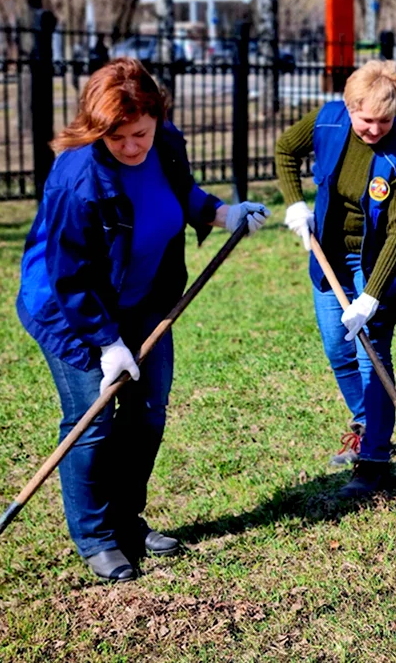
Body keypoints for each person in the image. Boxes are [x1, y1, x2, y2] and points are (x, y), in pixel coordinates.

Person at [17, 58, 270, 582]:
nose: (132, 147)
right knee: (92, 422)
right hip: (73, 311)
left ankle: (127, 522)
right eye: (117, 137)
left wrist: (226, 215)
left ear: (156, 117)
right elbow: (68, 276)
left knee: (148, 413)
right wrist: (108, 344)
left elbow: (182, 196)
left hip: (145, 300)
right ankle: (96, 536)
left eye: (140, 133)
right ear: (97, 128)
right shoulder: (76, 178)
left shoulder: (167, 143)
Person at [275, 60, 396, 499]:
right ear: (349, 107)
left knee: (371, 352)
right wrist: (294, 204)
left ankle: (374, 461)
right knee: (337, 347)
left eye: (385, 120)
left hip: (376, 262)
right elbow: (286, 150)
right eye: (367, 120)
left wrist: (371, 297)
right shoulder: (326, 120)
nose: (376, 129)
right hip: (330, 255)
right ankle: (367, 425)